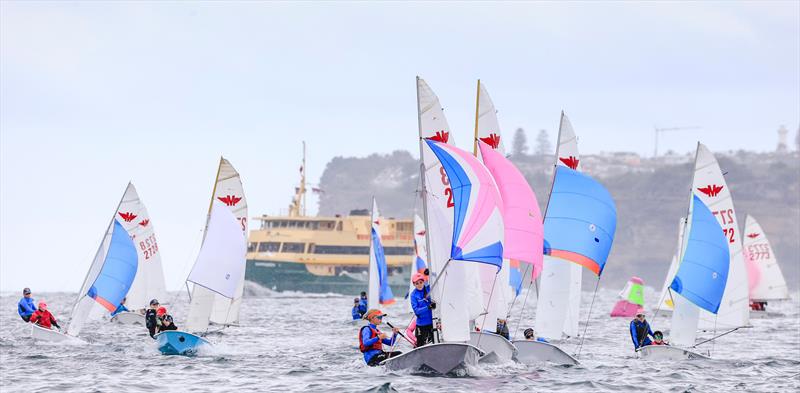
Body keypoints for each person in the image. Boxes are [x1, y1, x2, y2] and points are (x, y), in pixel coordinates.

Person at [410, 272, 435, 347]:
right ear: (414, 284)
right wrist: (428, 307)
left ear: (424, 282)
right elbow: (416, 311)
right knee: (420, 345)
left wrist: (430, 273)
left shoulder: (429, 289)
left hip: (431, 323)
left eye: (421, 282)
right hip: (421, 325)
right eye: (417, 283)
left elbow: (436, 279)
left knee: (434, 343)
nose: (419, 285)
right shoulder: (413, 295)